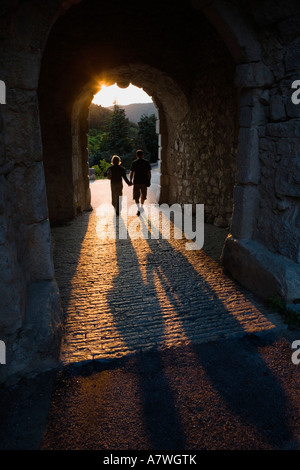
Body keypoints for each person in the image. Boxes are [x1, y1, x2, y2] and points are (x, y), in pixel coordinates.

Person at [129, 149, 151, 216]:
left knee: (136, 196)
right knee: (143, 195)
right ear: (143, 155)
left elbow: (131, 172)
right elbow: (149, 173)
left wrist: (130, 180)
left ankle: (138, 208)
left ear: (136, 155)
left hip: (136, 182)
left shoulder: (134, 163)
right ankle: (141, 206)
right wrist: (149, 180)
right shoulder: (146, 162)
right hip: (144, 181)